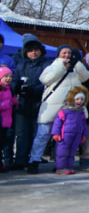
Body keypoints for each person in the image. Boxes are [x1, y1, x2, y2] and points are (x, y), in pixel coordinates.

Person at [29, 46, 89, 175]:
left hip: (70, 109)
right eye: (64, 53)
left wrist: (77, 64)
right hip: (51, 106)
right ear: (59, 54)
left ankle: (60, 164)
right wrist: (62, 67)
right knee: (43, 135)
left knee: (63, 138)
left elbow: (86, 77)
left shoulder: (76, 69)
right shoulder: (52, 66)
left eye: (69, 53)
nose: (67, 55)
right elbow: (45, 79)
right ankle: (34, 161)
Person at [9, 35, 51, 170]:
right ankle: (20, 160)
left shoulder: (47, 64)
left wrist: (34, 90)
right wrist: (17, 87)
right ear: (26, 52)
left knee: (36, 134)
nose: (34, 52)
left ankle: (33, 160)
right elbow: (14, 80)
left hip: (40, 104)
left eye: (36, 49)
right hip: (23, 104)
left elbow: (48, 83)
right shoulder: (21, 65)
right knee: (21, 134)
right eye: (30, 50)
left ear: (40, 50)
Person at [51, 86, 89, 175]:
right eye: (77, 99)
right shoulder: (65, 111)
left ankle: (68, 166)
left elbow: (83, 124)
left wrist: (84, 134)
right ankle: (60, 167)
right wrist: (56, 133)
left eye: (81, 99)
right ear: (72, 99)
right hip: (65, 135)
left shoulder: (81, 112)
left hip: (77, 134)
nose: (79, 101)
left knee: (72, 151)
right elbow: (57, 122)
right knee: (63, 151)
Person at [0, 66, 12, 171]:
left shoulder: (9, 89)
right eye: (5, 76)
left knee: (5, 143)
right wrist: (9, 103)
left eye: (10, 76)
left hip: (6, 122)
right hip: (1, 121)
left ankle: (5, 163)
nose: (8, 78)